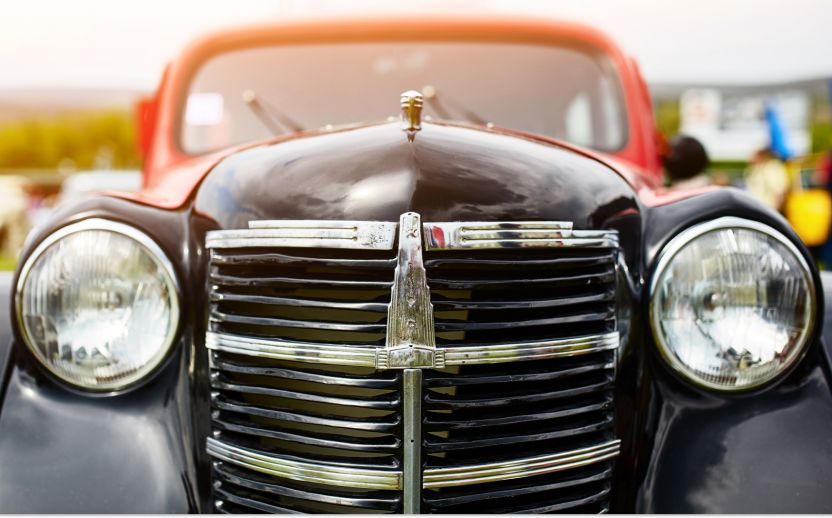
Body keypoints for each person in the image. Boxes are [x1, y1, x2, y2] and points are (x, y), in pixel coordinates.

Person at [744, 147, 789, 212]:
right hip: (756, 206)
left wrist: (777, 207)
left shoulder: (774, 167)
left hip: (770, 207)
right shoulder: (753, 170)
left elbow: (780, 189)